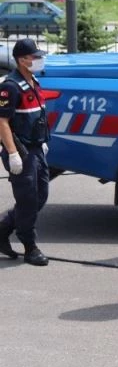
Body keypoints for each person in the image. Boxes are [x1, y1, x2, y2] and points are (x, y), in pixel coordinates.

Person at [0, 39, 51, 266]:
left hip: (36, 148)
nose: (39, 60)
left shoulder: (33, 81)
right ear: (22, 60)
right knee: (28, 199)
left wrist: (42, 142)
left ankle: (2, 229)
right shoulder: (10, 86)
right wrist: (12, 153)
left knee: (40, 196)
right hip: (21, 150)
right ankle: (30, 246)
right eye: (35, 56)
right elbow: (2, 122)